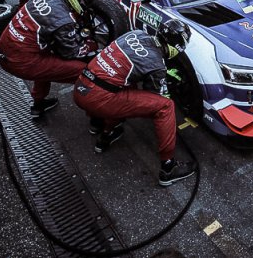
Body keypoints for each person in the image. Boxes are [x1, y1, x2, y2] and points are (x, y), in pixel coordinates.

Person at [73, 24, 197, 186]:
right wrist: (164, 81)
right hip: (99, 99)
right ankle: (168, 168)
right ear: (177, 47)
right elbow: (155, 96)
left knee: (125, 85)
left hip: (81, 85)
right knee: (165, 106)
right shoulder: (157, 64)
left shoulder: (136, 33)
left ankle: (105, 133)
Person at [0, 0, 99, 117]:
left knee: (46, 58)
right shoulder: (64, 22)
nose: (87, 4)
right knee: (86, 71)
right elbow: (72, 53)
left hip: (7, 44)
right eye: (86, 1)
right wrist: (89, 44)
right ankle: (96, 117)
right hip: (20, 61)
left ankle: (38, 105)